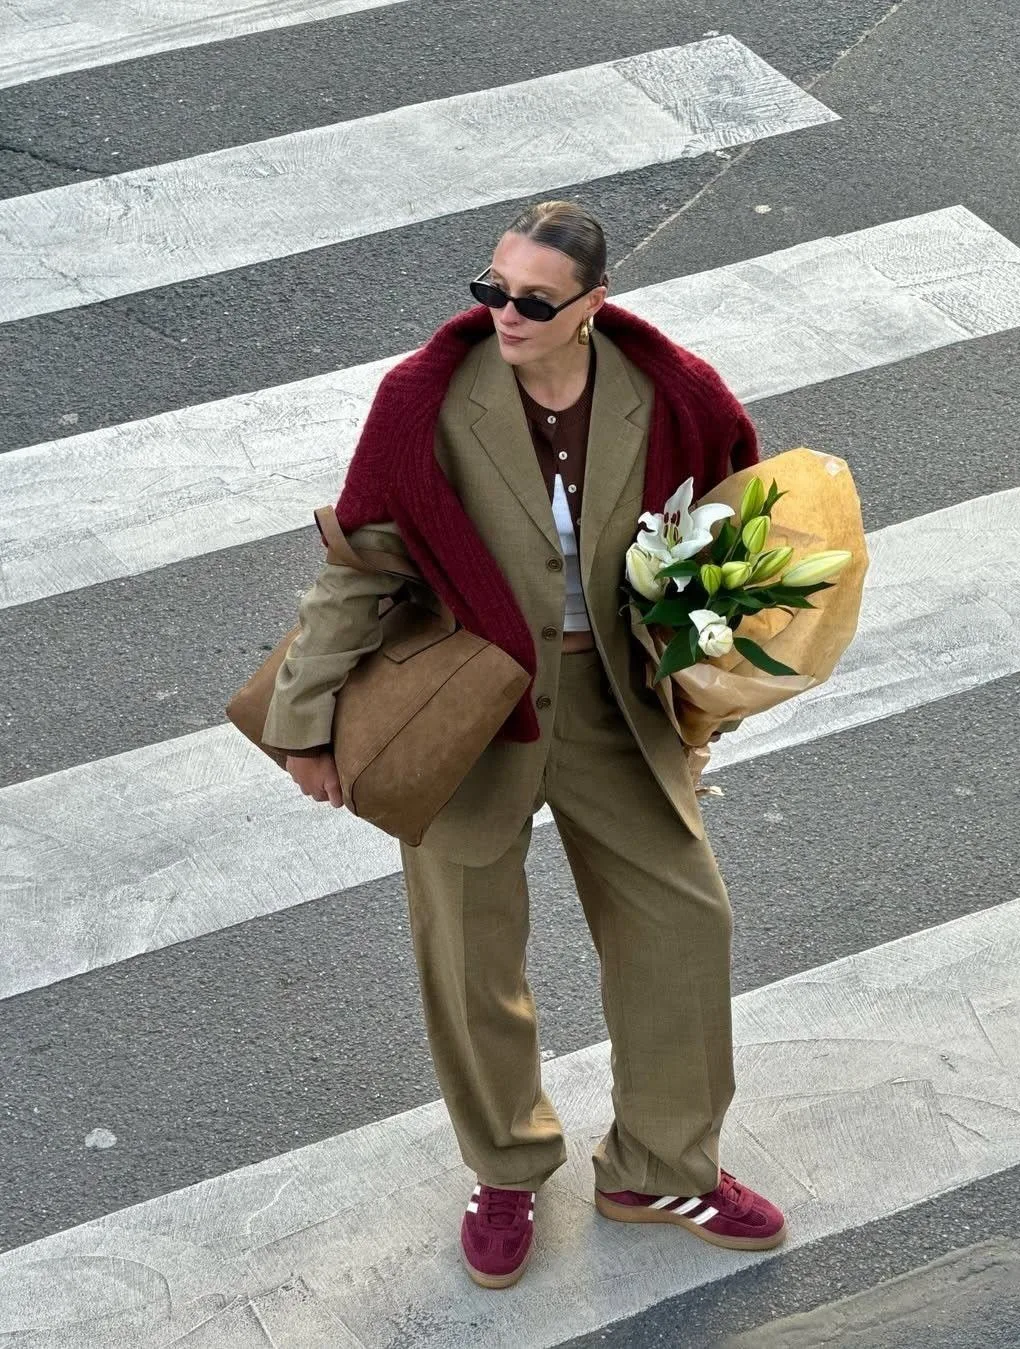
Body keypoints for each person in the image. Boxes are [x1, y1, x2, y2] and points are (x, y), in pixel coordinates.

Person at [262, 200, 787, 1289]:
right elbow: (363, 559)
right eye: (492, 290)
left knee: (684, 922)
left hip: (609, 699)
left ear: (594, 303)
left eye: (536, 302)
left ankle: (659, 1166)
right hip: (466, 705)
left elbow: (733, 523)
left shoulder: (669, 392)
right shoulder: (424, 398)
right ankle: (505, 1168)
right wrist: (302, 720)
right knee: (470, 952)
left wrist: (711, 680)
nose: (506, 313)